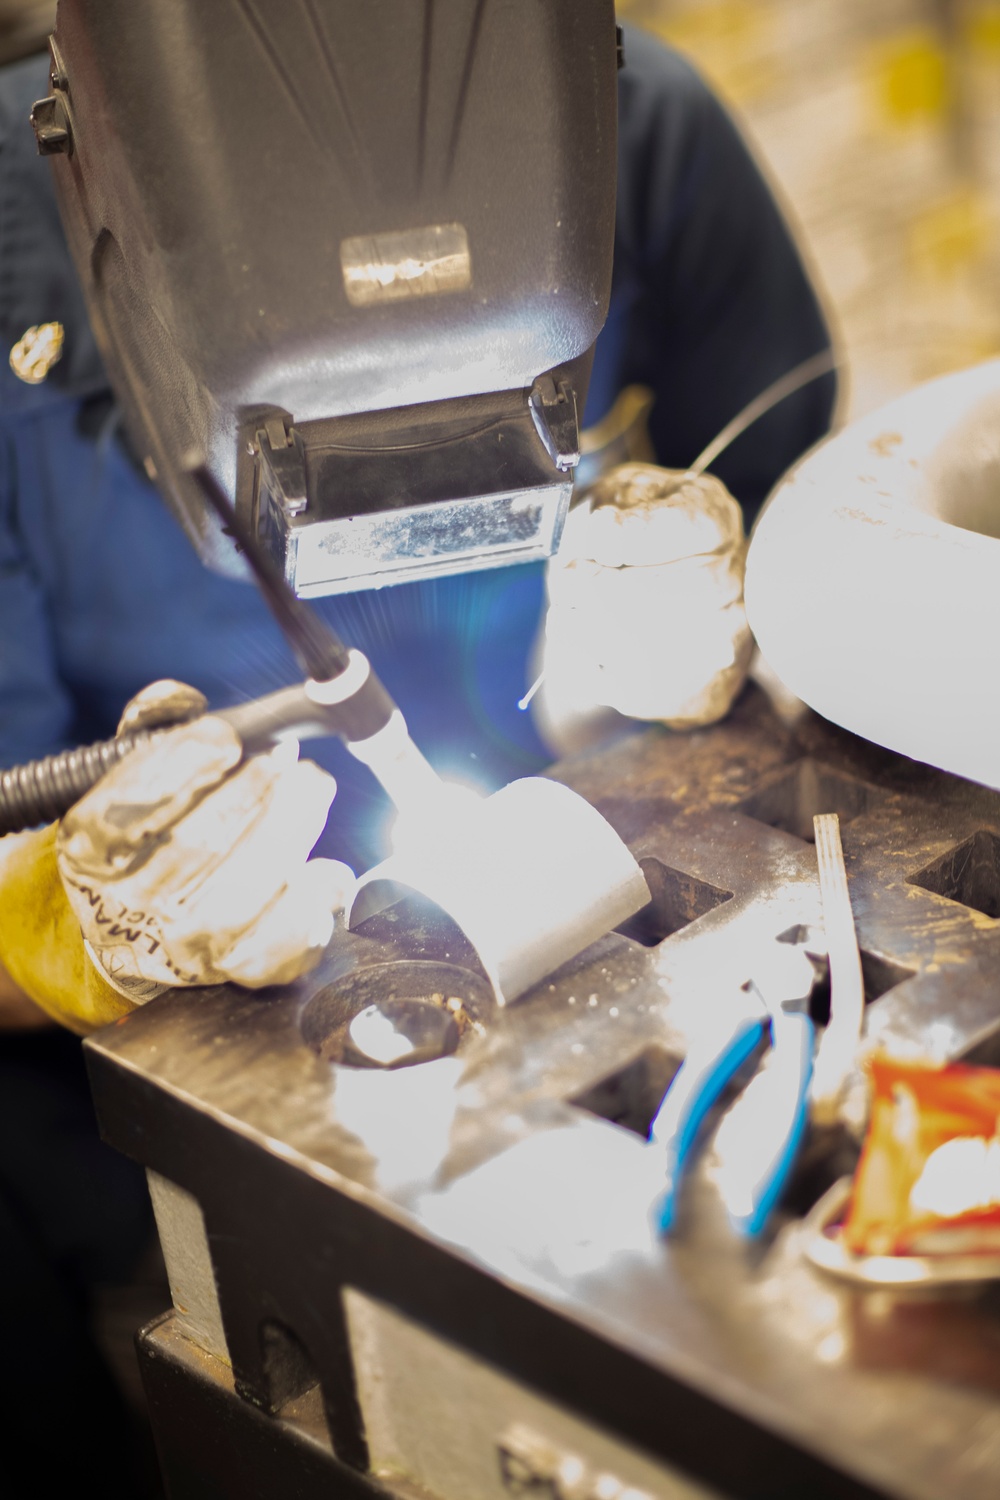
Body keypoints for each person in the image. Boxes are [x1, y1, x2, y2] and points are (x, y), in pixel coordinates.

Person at [0, 18, 835, 1496]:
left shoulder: (639, 130)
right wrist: (71, 923)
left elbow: (817, 521)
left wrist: (721, 603)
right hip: (170, 1185)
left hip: (595, 976)